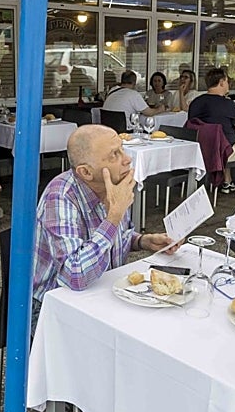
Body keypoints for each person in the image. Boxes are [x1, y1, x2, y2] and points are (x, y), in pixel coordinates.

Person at [33, 125, 177, 312]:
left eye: (122, 149)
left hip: (104, 290)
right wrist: (114, 215)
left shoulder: (113, 185)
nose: (127, 159)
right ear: (86, 172)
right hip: (53, 306)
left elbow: (113, 238)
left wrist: (143, 241)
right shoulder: (61, 196)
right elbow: (74, 276)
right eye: (114, 155)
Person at [188, 68, 235, 193]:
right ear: (222, 82)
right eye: (227, 81)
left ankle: (227, 182)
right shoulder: (227, 104)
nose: (228, 84)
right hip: (223, 151)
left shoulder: (195, 103)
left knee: (221, 139)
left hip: (200, 150)